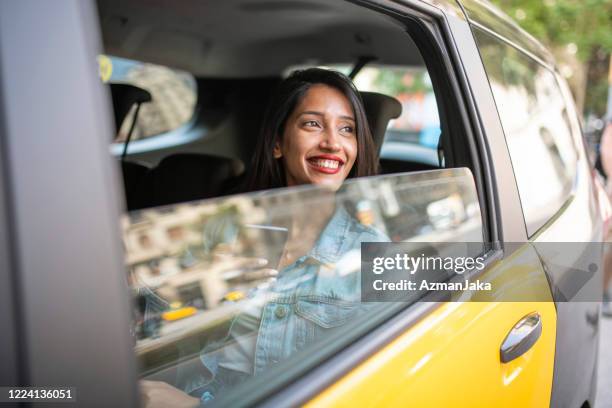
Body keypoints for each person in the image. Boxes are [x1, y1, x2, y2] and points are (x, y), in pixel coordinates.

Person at [140, 68, 387, 407]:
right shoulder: (221, 229)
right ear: (276, 144)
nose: (332, 142)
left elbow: (368, 390)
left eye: (347, 129)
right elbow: (155, 335)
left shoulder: (372, 254)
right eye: (313, 124)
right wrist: (195, 289)